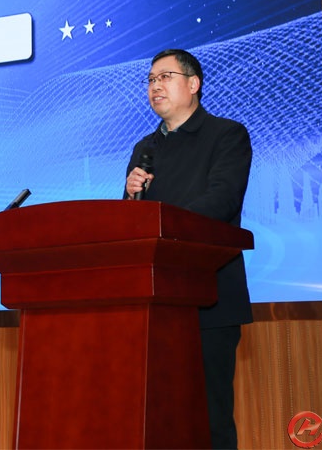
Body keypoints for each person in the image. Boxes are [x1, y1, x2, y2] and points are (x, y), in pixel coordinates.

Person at [124, 48, 252, 450]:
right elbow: (132, 227)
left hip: (208, 297)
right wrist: (130, 198)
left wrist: (165, 226)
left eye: (165, 77)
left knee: (209, 418)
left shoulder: (226, 135)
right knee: (159, 417)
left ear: (193, 84)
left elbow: (223, 201)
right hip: (155, 302)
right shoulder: (145, 148)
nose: (155, 86)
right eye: (150, 79)